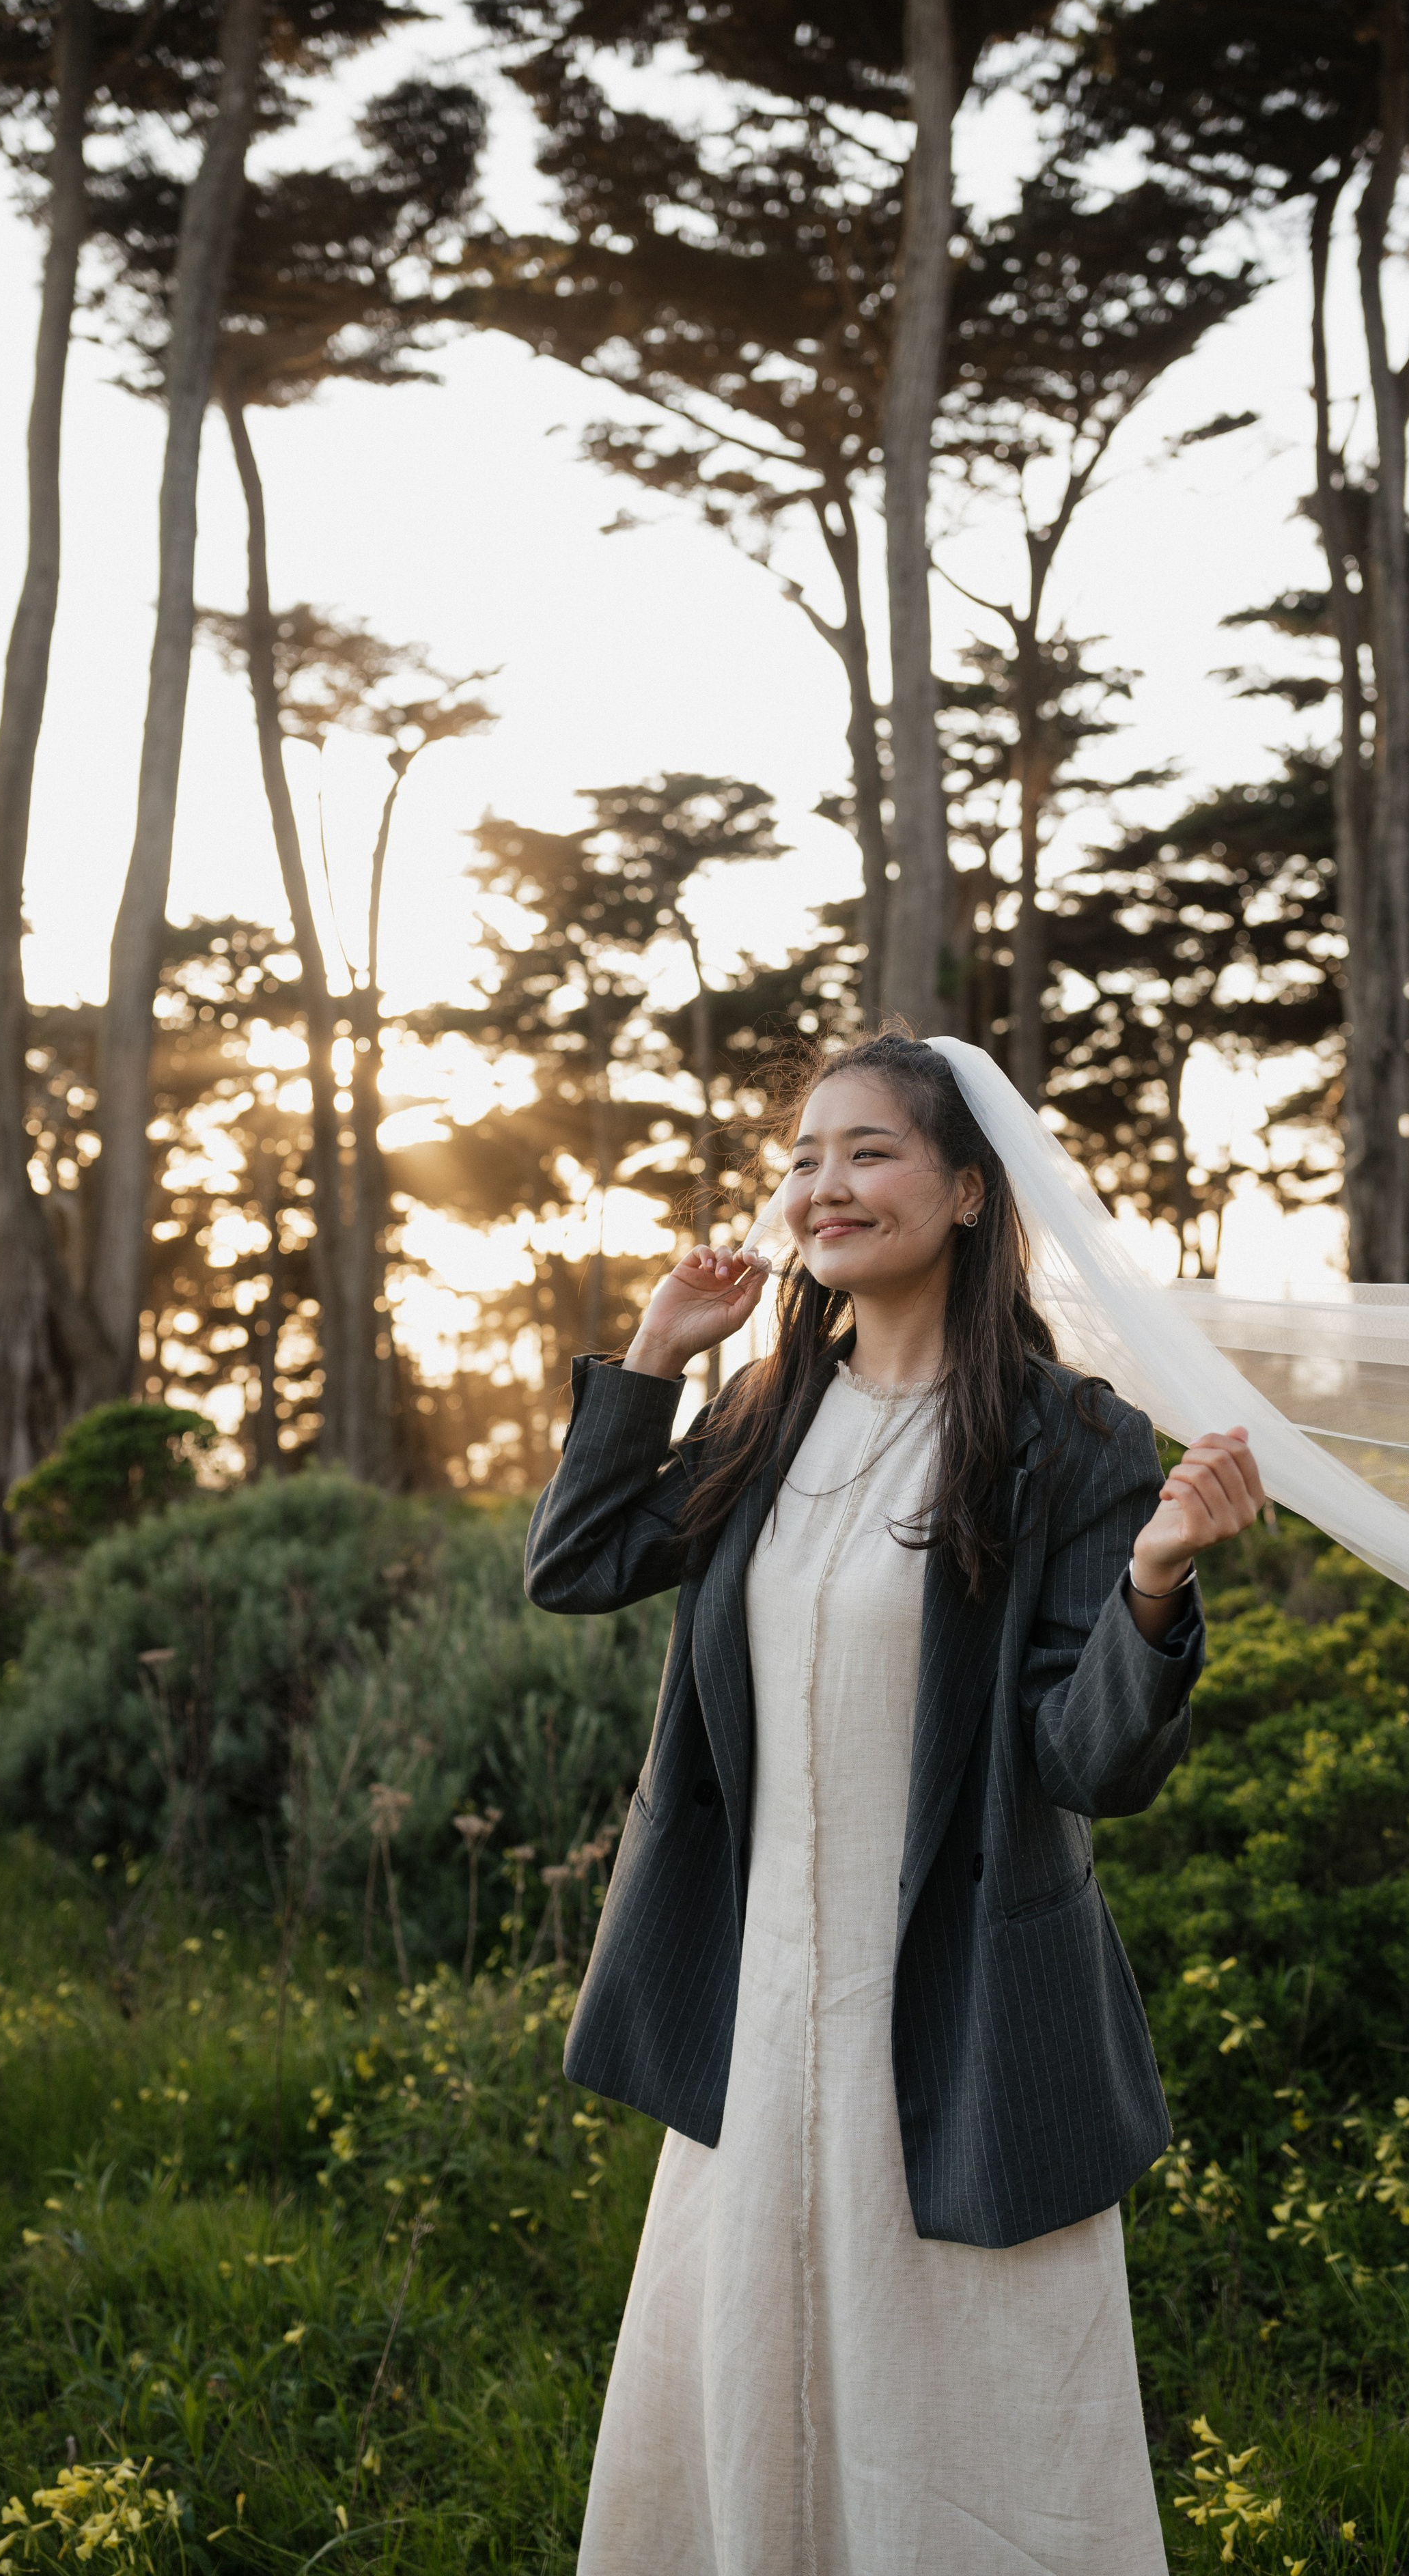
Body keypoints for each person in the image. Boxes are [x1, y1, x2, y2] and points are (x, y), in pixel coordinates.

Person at [525, 1031, 1265, 2576]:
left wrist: (1150, 1586)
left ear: (972, 1194)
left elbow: (1094, 1766)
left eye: (864, 1152)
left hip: (964, 2004)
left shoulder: (1072, 1444)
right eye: (802, 1157)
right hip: (758, 2002)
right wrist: (654, 1357)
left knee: (972, 2416)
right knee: (748, 2386)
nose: (820, 1186)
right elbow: (576, 1566)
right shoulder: (760, 1410)